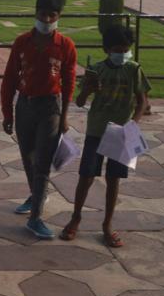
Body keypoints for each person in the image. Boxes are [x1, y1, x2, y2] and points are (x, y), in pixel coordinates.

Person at [60, 25, 150, 247]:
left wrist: (134, 124)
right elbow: (80, 102)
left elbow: (142, 101)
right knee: (87, 176)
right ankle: (76, 217)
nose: (122, 53)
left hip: (121, 131)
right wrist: (88, 89)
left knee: (113, 179)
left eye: (126, 49)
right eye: (118, 49)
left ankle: (107, 224)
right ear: (107, 49)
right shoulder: (97, 69)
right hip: (97, 129)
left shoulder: (134, 69)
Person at [0, 0, 78, 240]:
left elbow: (69, 84)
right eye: (42, 14)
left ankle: (35, 217)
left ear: (59, 16)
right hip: (25, 105)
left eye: (51, 15)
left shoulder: (65, 46)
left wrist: (64, 116)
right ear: (35, 13)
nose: (46, 19)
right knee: (28, 157)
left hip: (50, 108)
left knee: (43, 162)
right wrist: (7, 112)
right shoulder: (23, 42)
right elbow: (10, 78)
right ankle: (36, 195)